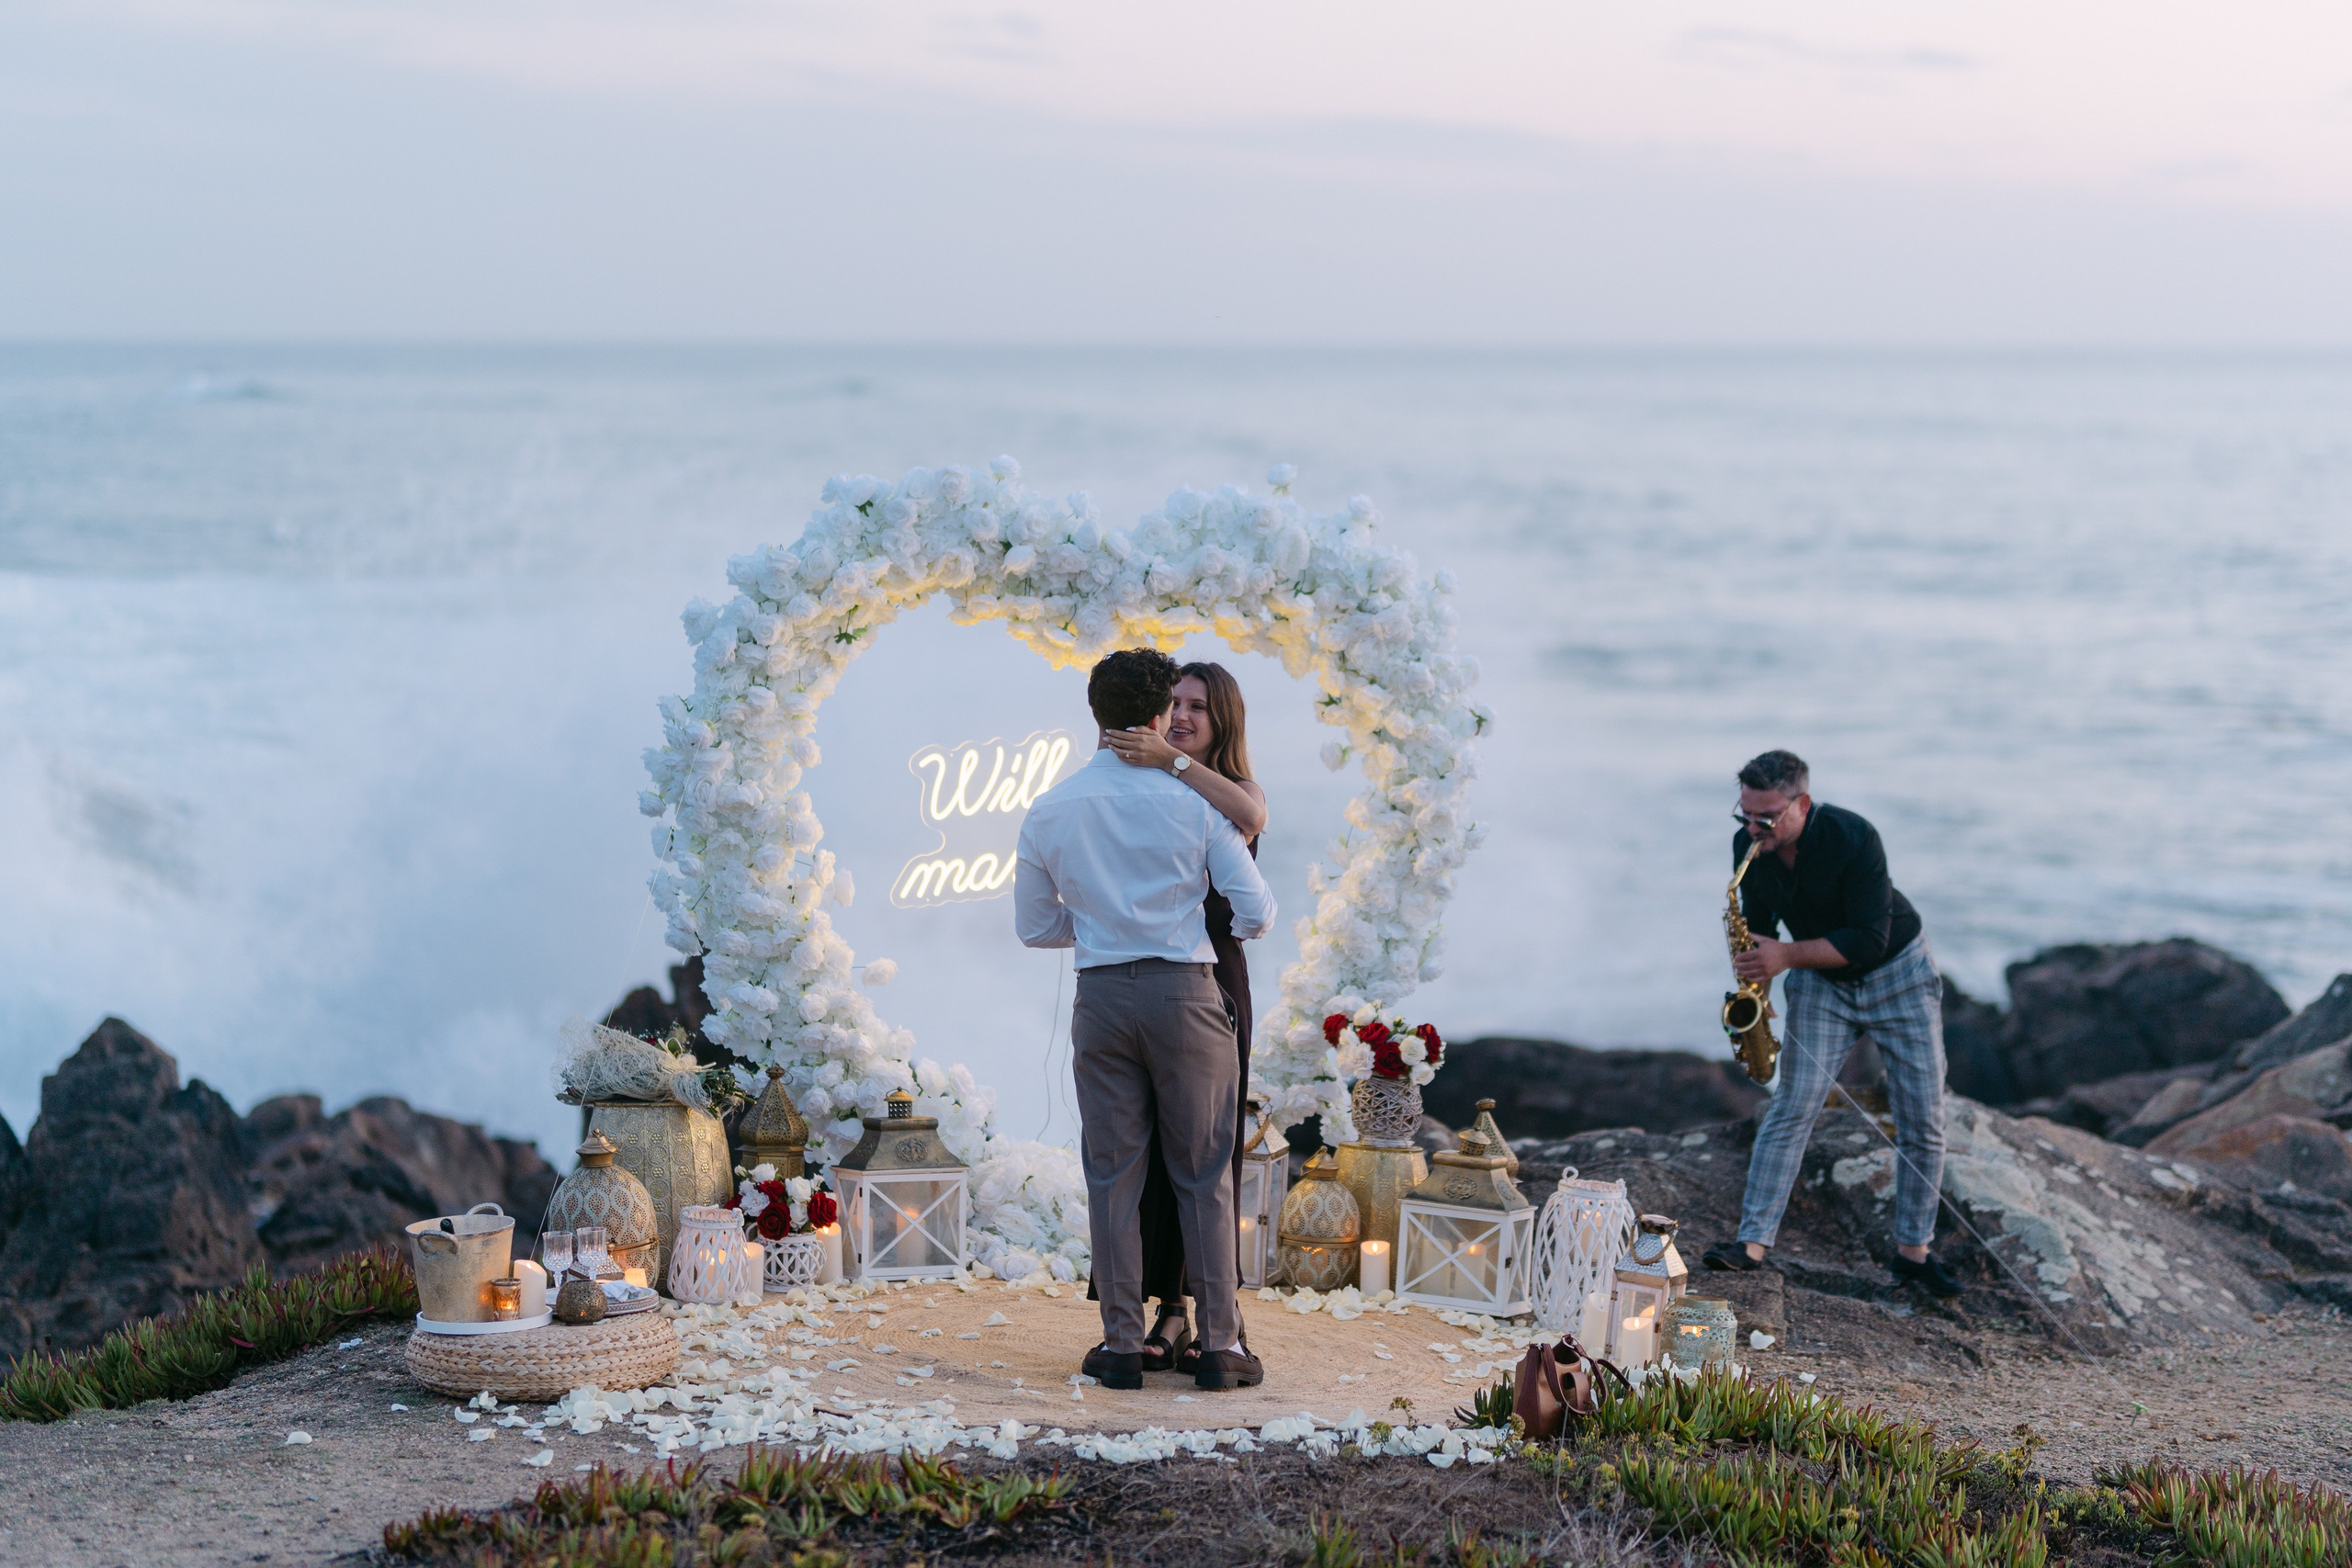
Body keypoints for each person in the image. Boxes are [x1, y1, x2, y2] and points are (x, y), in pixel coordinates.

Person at [1015, 648, 1277, 1391]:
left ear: (1097, 714)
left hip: (1100, 999)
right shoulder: (1194, 803)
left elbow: (1036, 929)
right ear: (1161, 715)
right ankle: (1221, 1347)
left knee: (1112, 1175)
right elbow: (1255, 911)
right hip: (1186, 994)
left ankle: (1123, 1344)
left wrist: (1104, 926)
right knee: (1203, 1174)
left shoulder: (1050, 808)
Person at [1702, 750, 1963, 1298]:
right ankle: (1751, 1244)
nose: (1753, 828)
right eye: (1744, 815)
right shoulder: (1749, 846)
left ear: (1803, 804)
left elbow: (1867, 939)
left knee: (1922, 1116)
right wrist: (1758, 992)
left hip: (1899, 974)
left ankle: (1913, 1254)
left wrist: (1785, 958)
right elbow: (1758, 928)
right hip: (1821, 983)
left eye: (1766, 818)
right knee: (1793, 1105)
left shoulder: (1854, 837)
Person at [1098, 662, 1267, 1374]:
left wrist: (1170, 760)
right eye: (1173, 703)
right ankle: (1164, 1310)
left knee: (1205, 1159)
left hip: (1213, 978)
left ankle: (1209, 1313)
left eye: (1198, 705)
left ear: (1223, 717)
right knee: (1146, 1159)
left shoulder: (1225, 791)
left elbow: (1252, 817)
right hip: (1142, 979)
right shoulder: (1148, 787)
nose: (1183, 715)